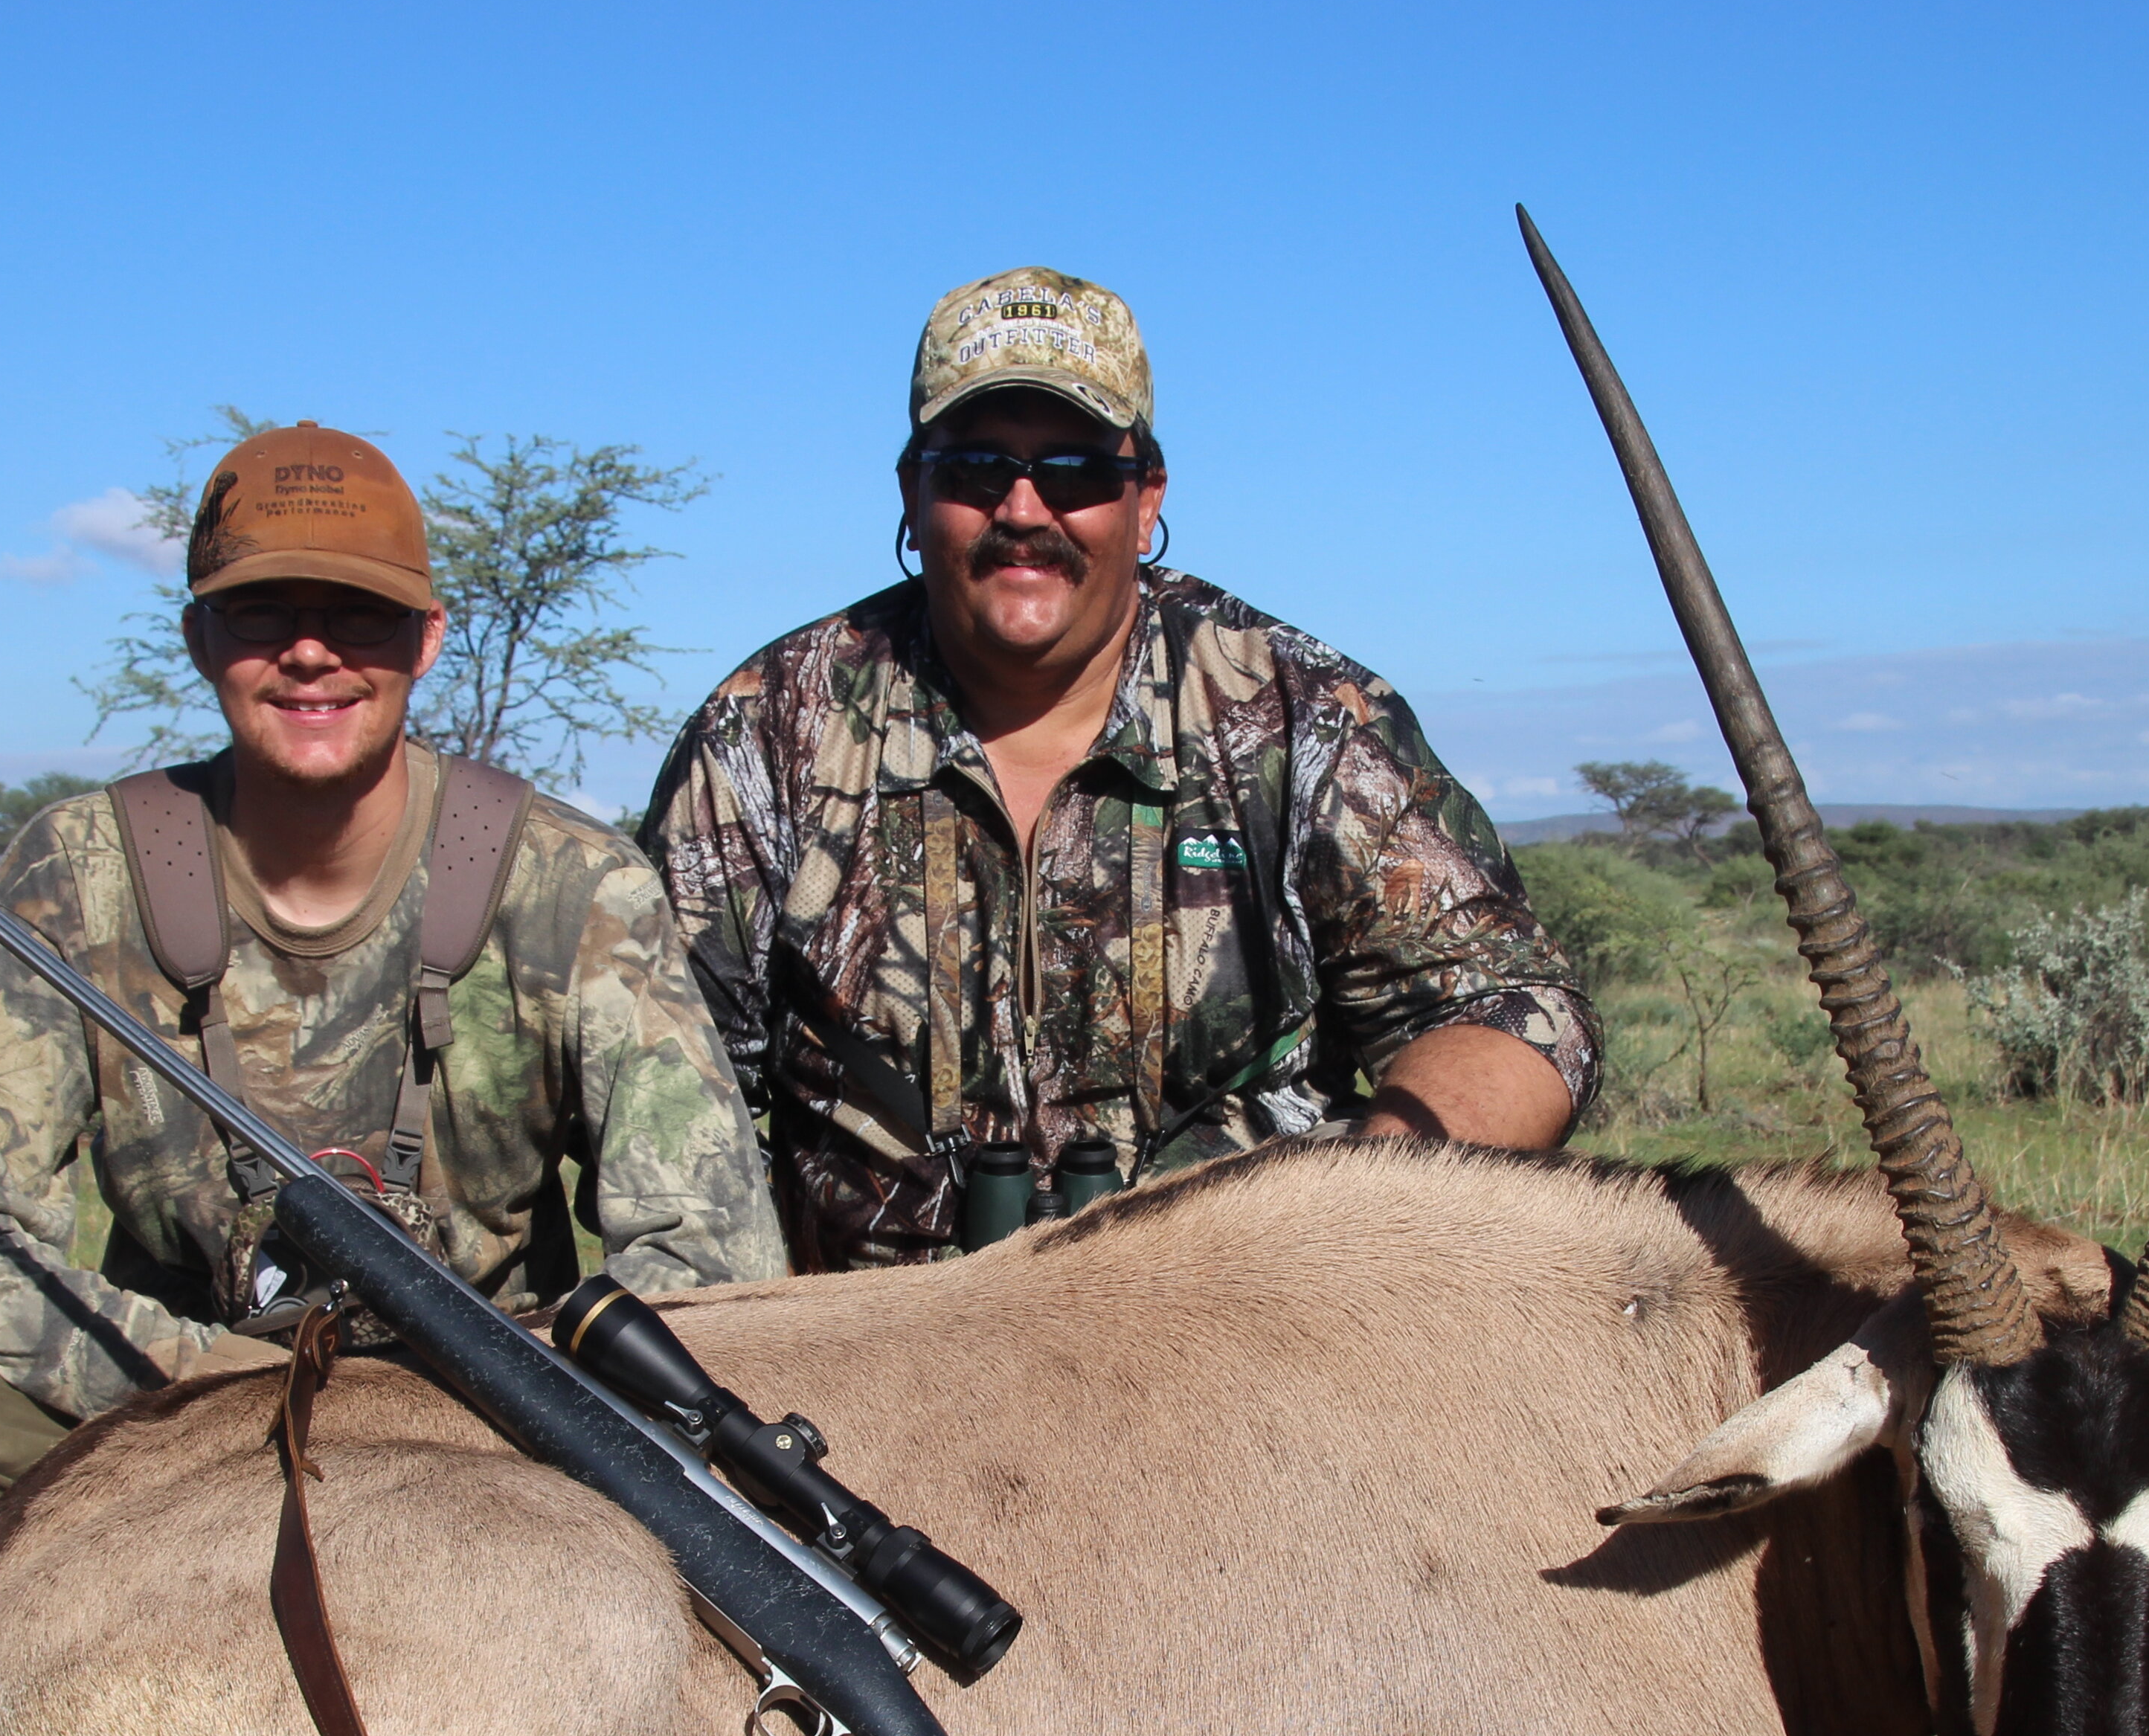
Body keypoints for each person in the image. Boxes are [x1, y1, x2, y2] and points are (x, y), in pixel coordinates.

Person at [0, 421, 788, 1599]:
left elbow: (716, 1265)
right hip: (172, 1425)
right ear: (198, 636)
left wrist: (480, 1414)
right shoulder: (79, 868)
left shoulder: (573, 881)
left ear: (426, 639)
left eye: (358, 614)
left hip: (489, 1448)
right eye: (262, 612)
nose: (311, 653)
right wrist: (212, 1386)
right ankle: (128, 1686)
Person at [643, 266, 1597, 1268]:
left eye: (1075, 470)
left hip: (1235, 1347)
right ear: (912, 494)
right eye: (974, 468)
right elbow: (657, 1082)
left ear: (1145, 501)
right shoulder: (766, 732)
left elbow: (1520, 1013)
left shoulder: (1299, 715)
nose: (1022, 509)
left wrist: (1350, 1227)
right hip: (872, 1375)